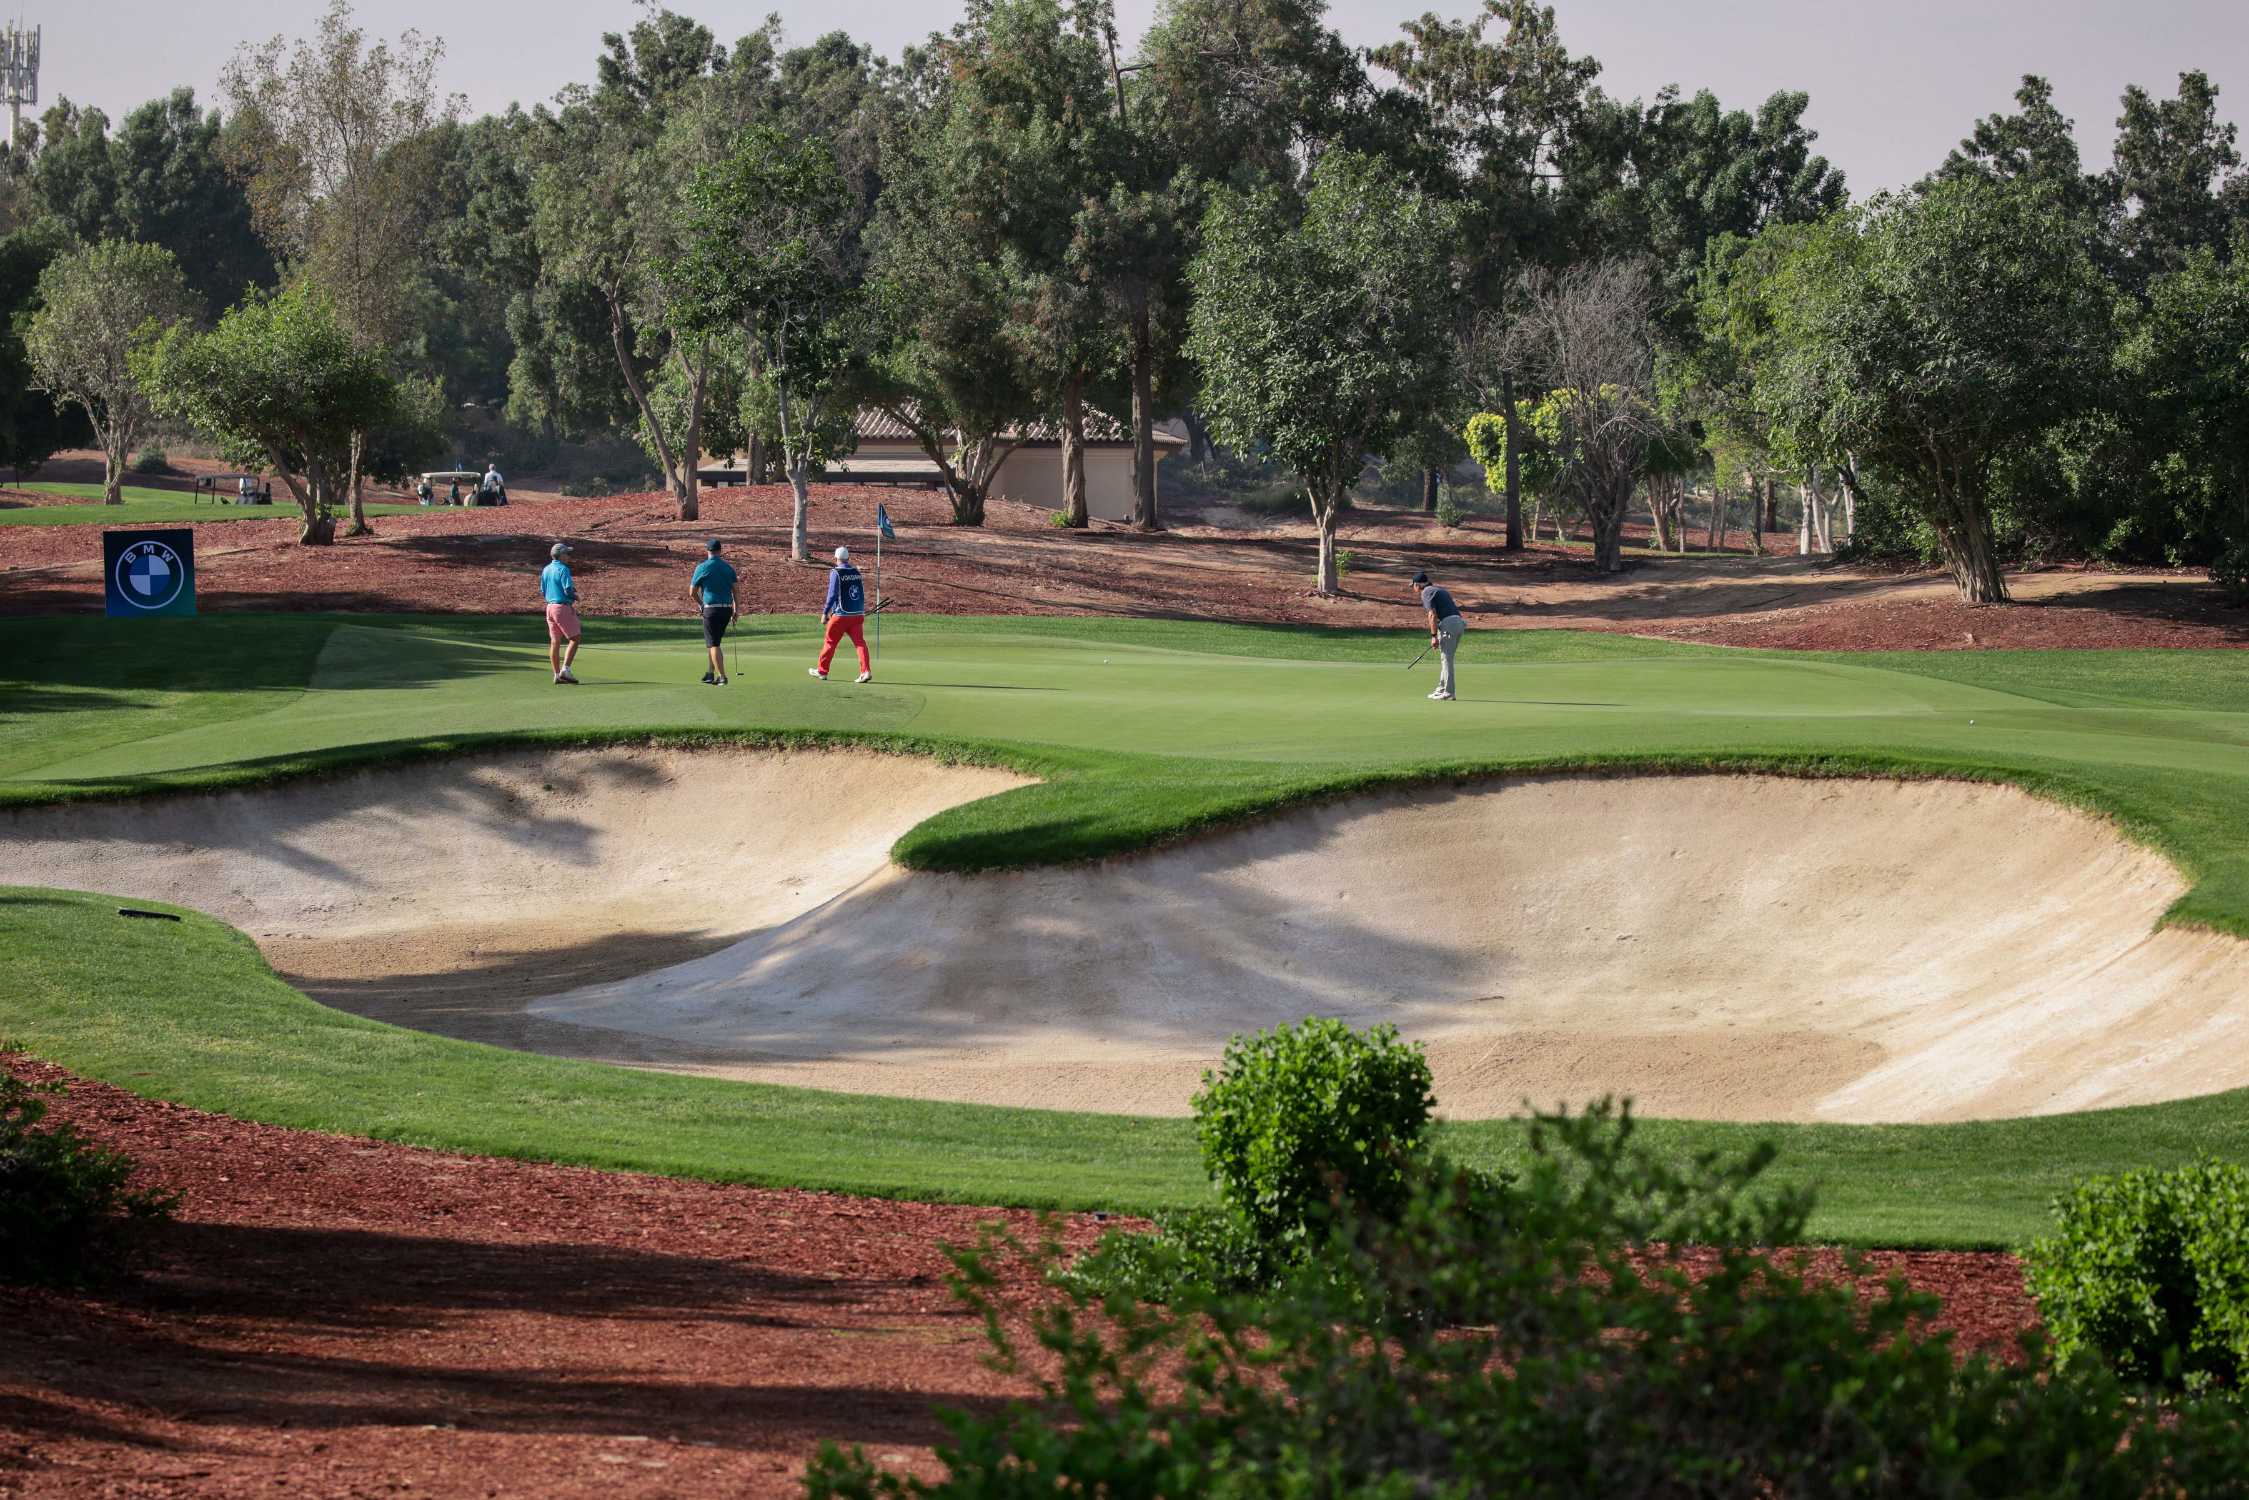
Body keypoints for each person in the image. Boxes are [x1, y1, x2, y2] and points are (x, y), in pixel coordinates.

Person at [809, 545, 872, 683]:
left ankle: (822, 671)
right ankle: (865, 671)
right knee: (860, 643)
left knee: (830, 642)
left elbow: (831, 595)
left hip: (841, 616)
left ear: (836, 558)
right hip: (857, 615)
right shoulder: (856, 572)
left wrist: (825, 613)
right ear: (848, 558)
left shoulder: (836, 572)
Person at [689, 537, 738, 685]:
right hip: (726, 610)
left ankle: (722, 676)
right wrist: (736, 610)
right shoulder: (728, 568)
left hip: (711, 610)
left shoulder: (702, 567)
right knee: (714, 641)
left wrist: (701, 604)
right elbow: (736, 591)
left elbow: (692, 592)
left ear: (707, 551)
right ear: (720, 551)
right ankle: (710, 673)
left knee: (713, 644)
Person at [1412, 569, 1465, 701]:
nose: (1414, 589)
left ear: (1417, 585)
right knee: (1446, 658)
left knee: (1446, 659)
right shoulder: (1437, 589)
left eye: (1413, 586)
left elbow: (1432, 615)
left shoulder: (1426, 592)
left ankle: (1449, 692)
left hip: (1449, 624)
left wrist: (1434, 636)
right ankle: (1441, 689)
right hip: (1459, 623)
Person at [541, 542, 582, 685]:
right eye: (567, 554)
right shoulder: (563, 569)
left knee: (555, 642)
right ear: (561, 555)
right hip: (562, 607)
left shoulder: (546, 569)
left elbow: (543, 591)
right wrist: (576, 597)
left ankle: (557, 675)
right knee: (575, 638)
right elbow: (568, 590)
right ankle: (566, 670)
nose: (569, 556)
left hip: (550, 607)